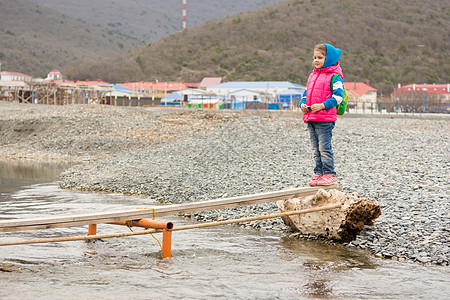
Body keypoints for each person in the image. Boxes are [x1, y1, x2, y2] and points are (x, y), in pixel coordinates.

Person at [299, 43, 344, 186]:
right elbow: (306, 93)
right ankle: (318, 173)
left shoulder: (335, 77)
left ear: (328, 58)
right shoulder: (312, 76)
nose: (316, 60)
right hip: (311, 117)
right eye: (314, 57)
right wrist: (303, 104)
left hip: (325, 119)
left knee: (324, 148)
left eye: (320, 57)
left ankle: (330, 174)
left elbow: (338, 97)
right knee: (315, 149)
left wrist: (322, 105)